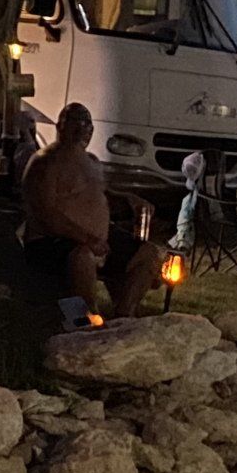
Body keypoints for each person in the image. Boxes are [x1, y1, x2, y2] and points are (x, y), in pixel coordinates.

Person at [21, 102, 162, 318]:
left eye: (87, 125)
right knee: (82, 257)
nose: (82, 130)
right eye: (75, 124)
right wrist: (86, 238)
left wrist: (129, 199)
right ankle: (83, 320)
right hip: (52, 241)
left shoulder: (91, 161)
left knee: (148, 253)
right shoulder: (45, 162)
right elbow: (45, 213)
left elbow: (99, 194)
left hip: (98, 239)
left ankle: (124, 316)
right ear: (60, 127)